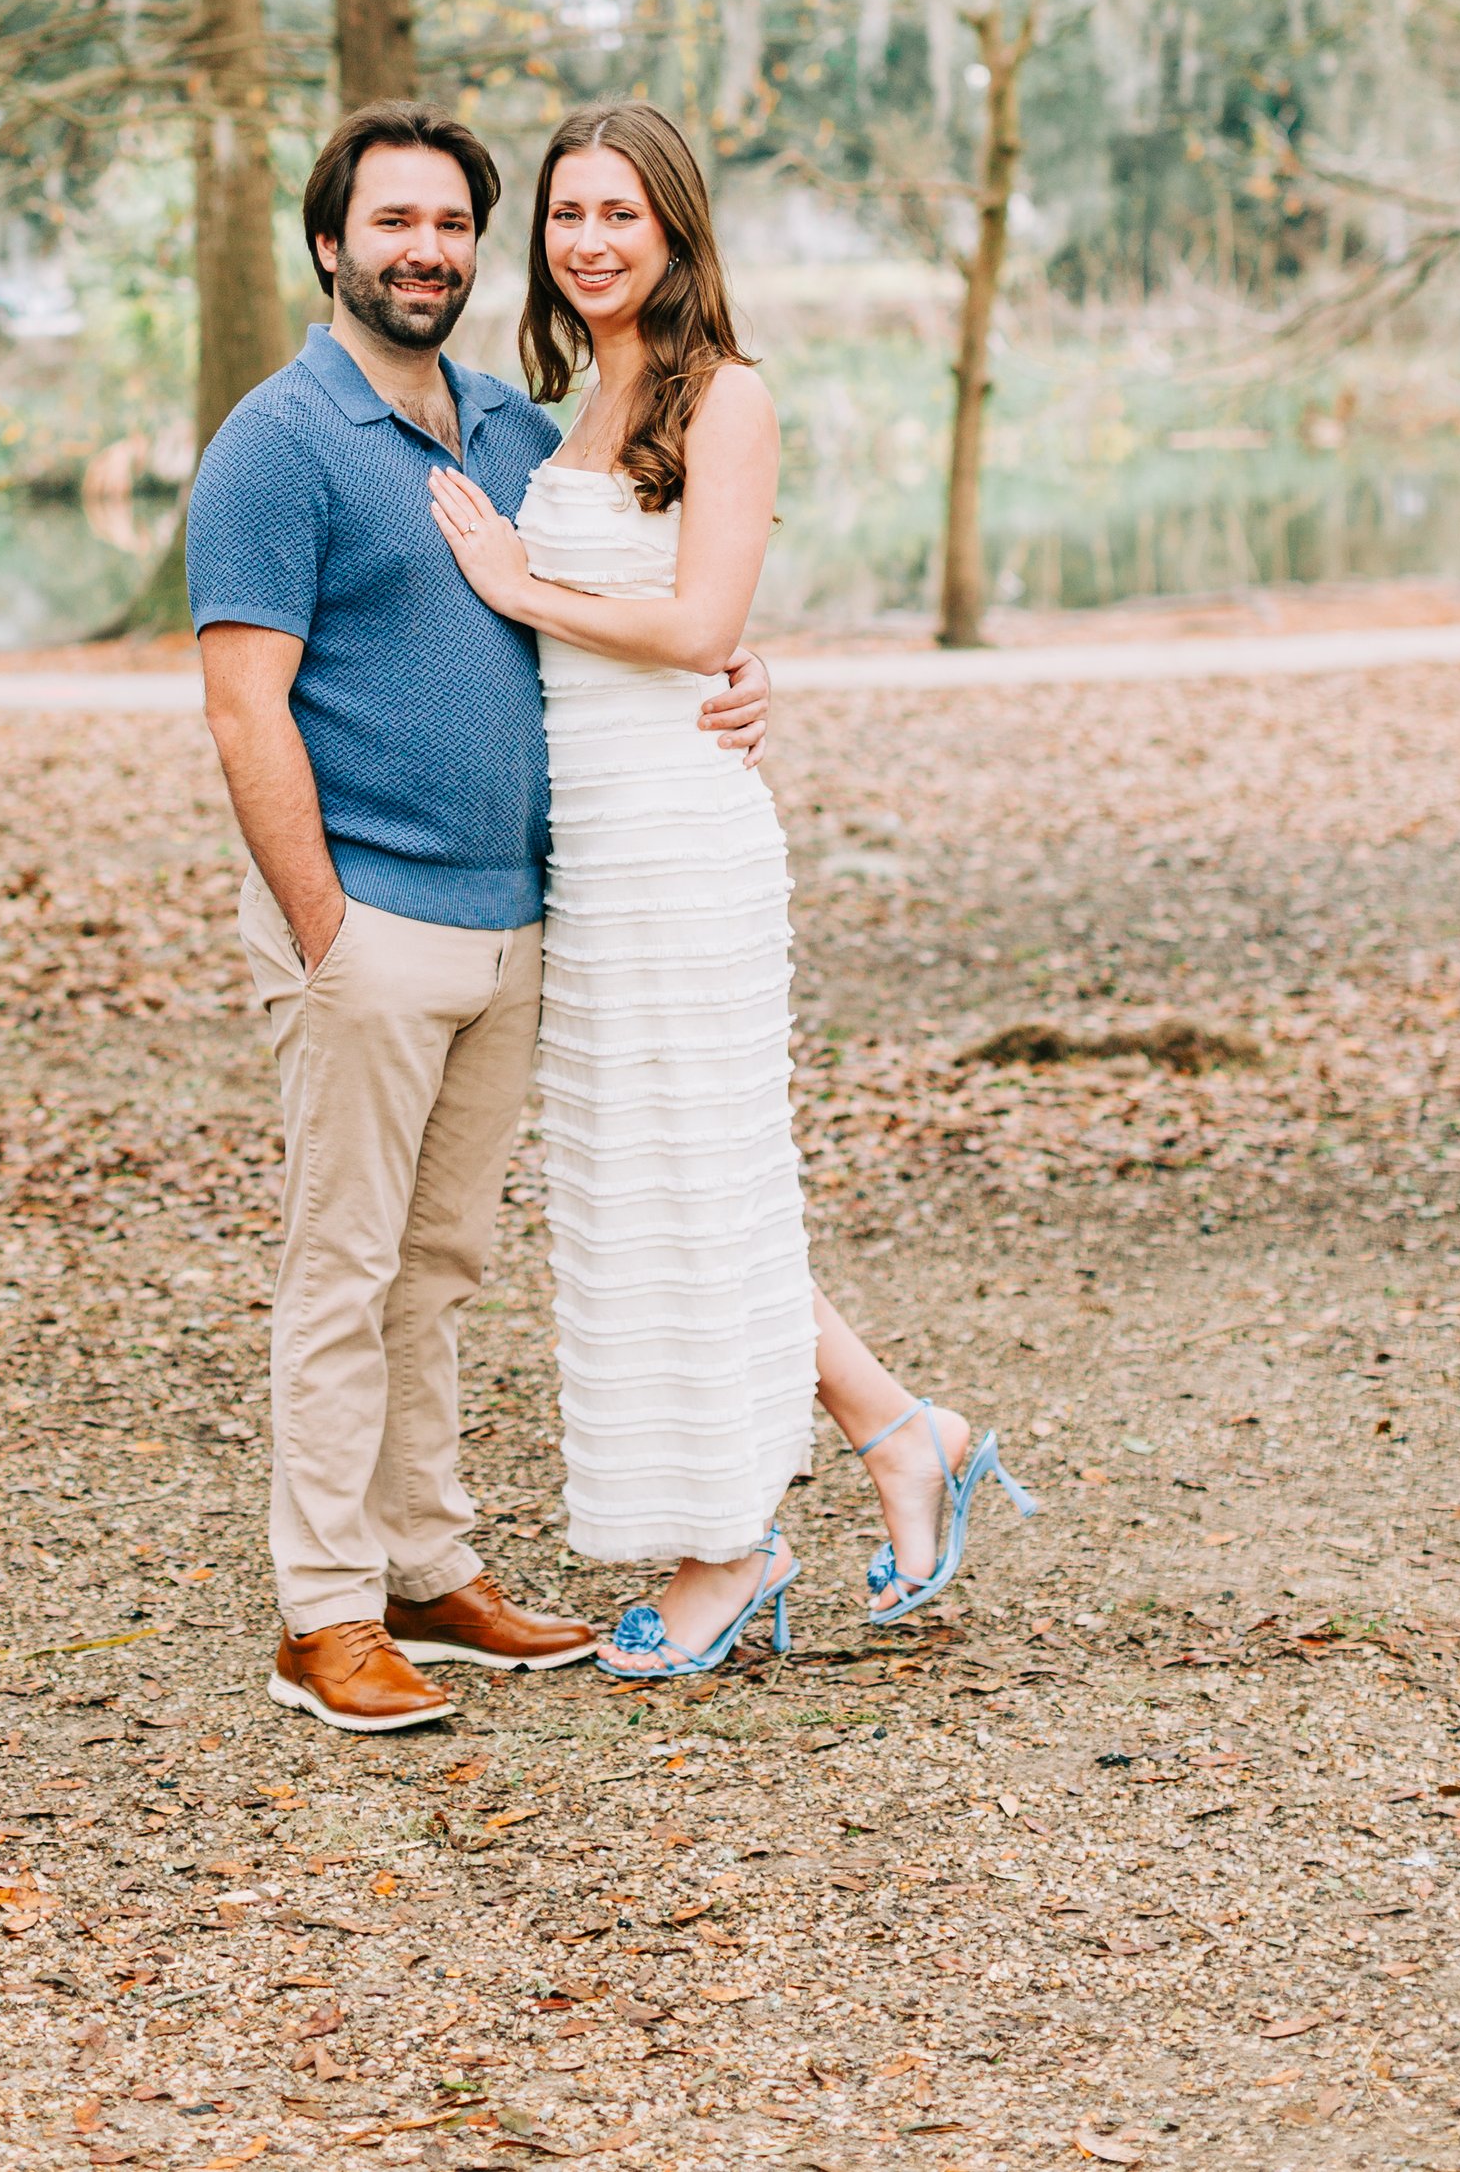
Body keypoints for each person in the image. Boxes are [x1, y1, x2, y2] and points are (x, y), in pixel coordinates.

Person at [425, 101, 1036, 1677]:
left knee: (694, 1179)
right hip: (593, 843)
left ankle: (729, 1545)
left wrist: (530, 585)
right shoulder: (545, 409)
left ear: (678, 228)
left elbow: (702, 624)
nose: (590, 239)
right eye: (567, 213)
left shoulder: (729, 396)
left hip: (685, 840)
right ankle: (903, 1431)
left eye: (621, 211)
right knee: (670, 1183)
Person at [186, 101, 774, 1734]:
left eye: (452, 225)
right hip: (369, 922)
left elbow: (635, 594)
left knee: (437, 1266)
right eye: (393, 224)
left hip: (519, 926)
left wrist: (743, 669)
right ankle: (323, 1612)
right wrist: (324, 924)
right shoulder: (276, 442)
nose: (426, 251)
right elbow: (245, 713)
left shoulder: (516, 428)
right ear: (330, 243)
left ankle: (428, 1567)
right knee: (341, 1266)